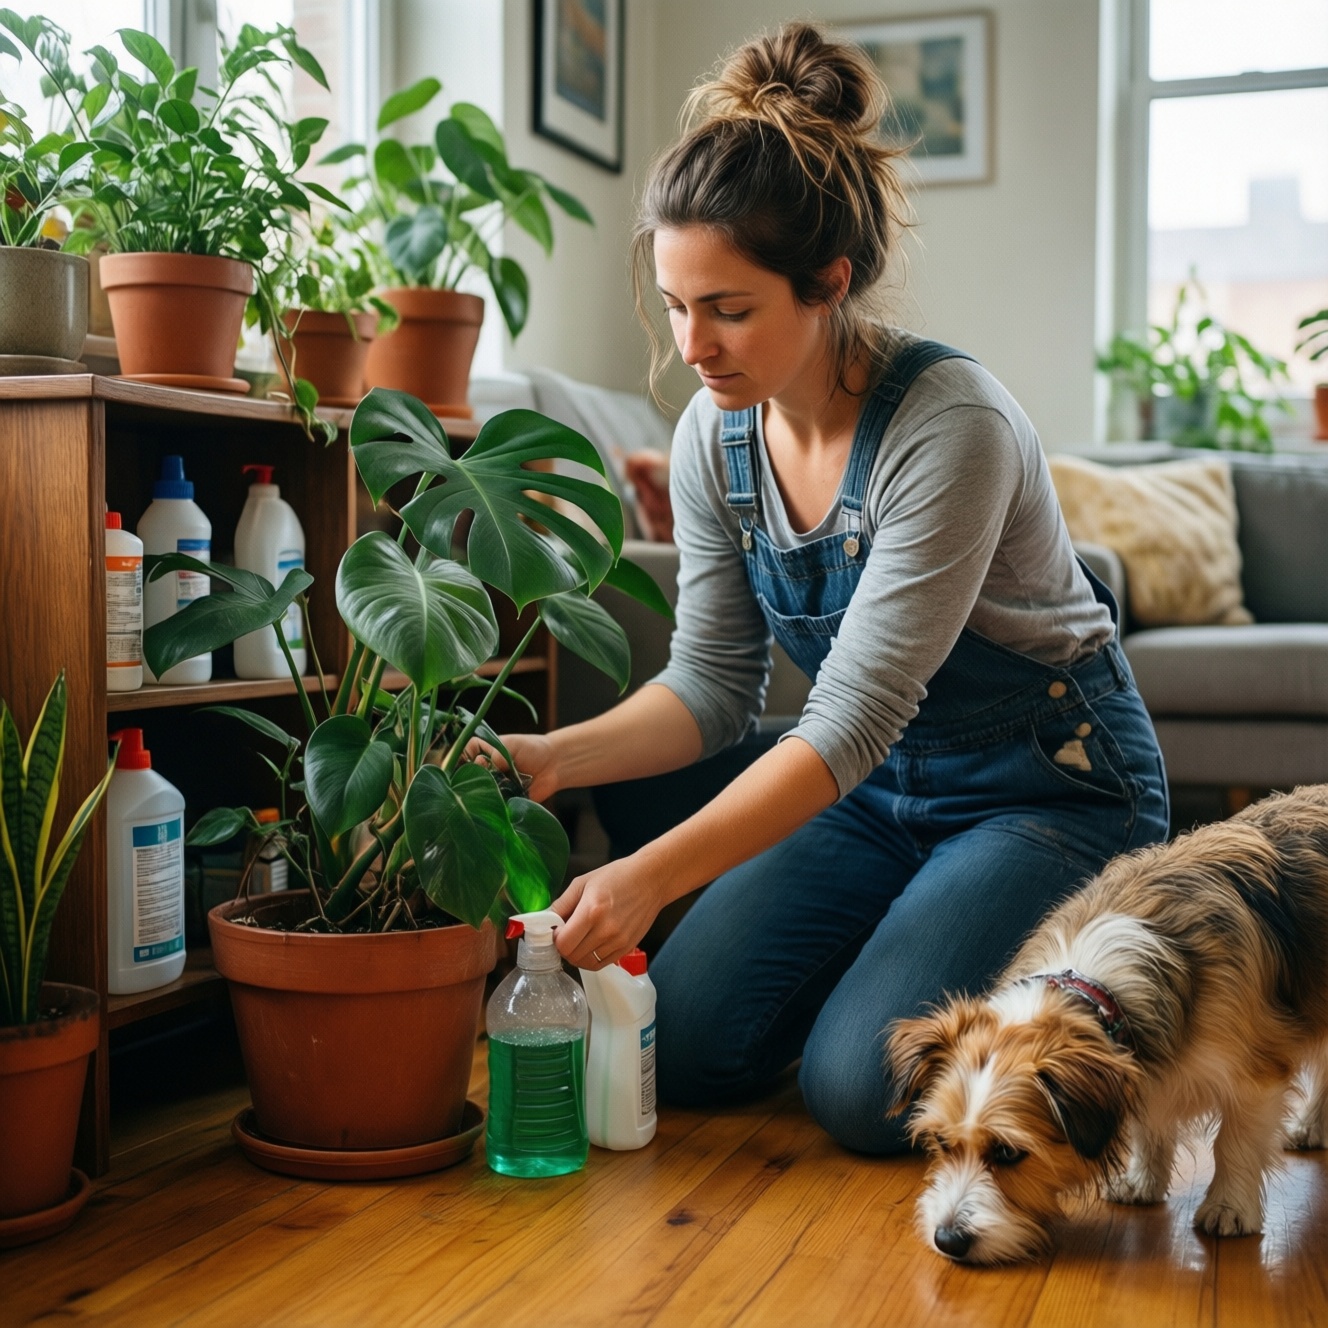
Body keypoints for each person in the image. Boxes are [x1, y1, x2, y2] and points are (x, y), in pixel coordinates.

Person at [496, 20, 1169, 1154]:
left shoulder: (948, 425)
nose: (692, 345)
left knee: (860, 1093)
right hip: (873, 792)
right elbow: (712, 685)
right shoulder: (717, 435)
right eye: (674, 302)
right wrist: (548, 758)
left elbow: (846, 718)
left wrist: (645, 877)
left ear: (828, 284)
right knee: (697, 1040)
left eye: (729, 307)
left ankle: (1052, 989)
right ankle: (905, 957)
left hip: (1044, 793)